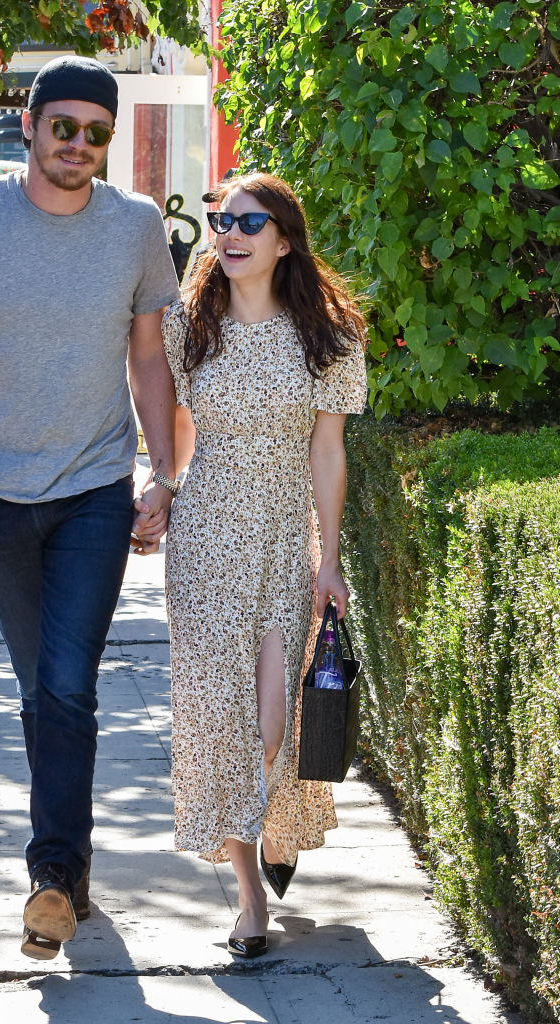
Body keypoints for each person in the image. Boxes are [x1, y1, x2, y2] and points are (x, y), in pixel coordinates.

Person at [0, 55, 180, 962]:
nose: (80, 146)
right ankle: (72, 871)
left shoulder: (136, 228)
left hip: (95, 489)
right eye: (64, 127)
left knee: (66, 685)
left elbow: (148, 357)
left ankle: (50, 878)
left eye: (97, 133)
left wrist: (162, 469)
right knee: (39, 690)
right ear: (29, 126)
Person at [159, 172, 367, 959]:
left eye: (249, 220)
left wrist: (331, 560)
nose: (230, 233)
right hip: (206, 538)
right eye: (221, 220)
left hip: (284, 538)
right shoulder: (187, 328)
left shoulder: (329, 335)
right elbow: (173, 425)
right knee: (220, 717)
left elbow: (327, 451)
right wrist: (164, 486)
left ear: (284, 238)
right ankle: (249, 897)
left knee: (273, 724)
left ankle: (272, 829)